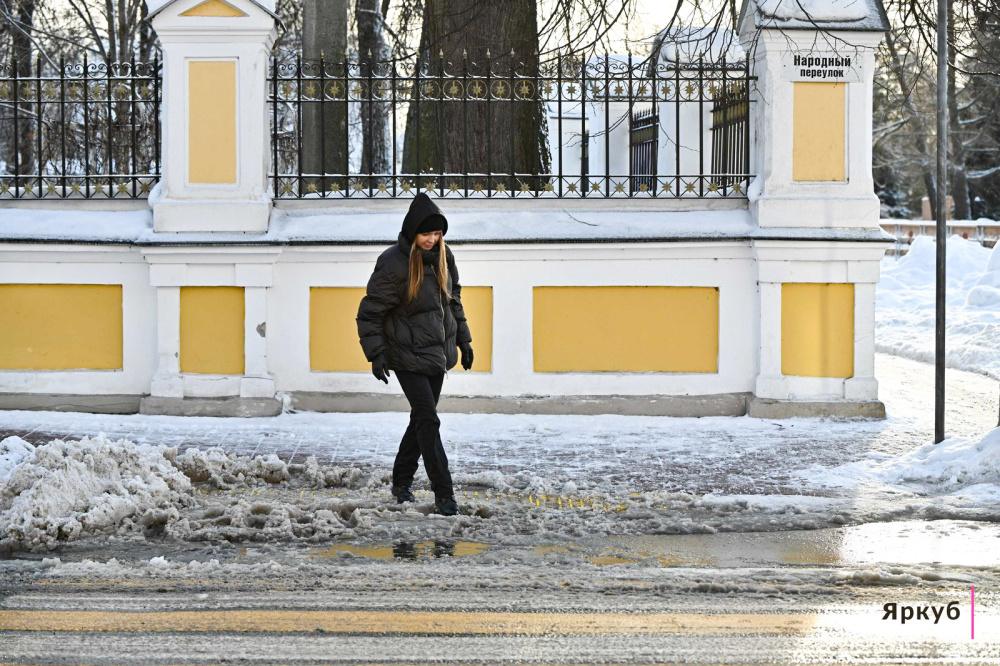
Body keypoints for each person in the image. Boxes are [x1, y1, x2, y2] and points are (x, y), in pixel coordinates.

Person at [356, 192, 474, 517]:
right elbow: (370, 313)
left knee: (421, 420)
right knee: (428, 420)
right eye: (426, 234)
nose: (432, 239)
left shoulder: (443, 256)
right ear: (412, 232)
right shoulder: (393, 263)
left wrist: (464, 340)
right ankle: (445, 494)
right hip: (405, 355)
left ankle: (401, 480)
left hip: (436, 353)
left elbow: (454, 300)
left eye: (437, 234)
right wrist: (376, 354)